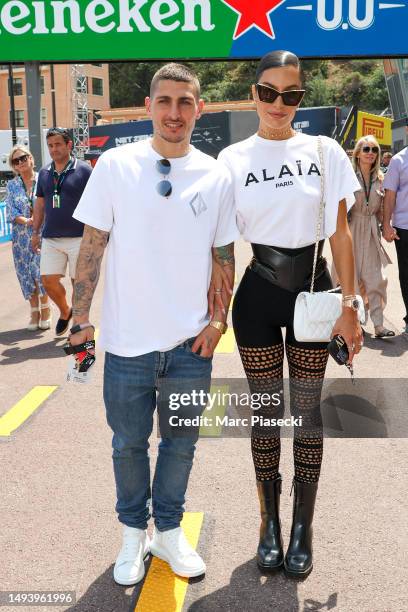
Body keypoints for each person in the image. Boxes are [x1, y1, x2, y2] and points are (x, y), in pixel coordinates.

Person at [69, 63, 237, 586]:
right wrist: (79, 319)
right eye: (164, 101)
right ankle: (130, 535)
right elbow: (91, 248)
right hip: (126, 343)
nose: (174, 112)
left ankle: (167, 531)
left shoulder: (216, 173)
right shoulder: (116, 166)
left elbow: (224, 254)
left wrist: (217, 322)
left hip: (191, 346)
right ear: (148, 106)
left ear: (199, 108)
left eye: (185, 102)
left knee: (181, 445)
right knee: (127, 445)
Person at [216, 50, 362, 578]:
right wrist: (214, 313)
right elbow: (222, 245)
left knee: (305, 411)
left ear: (301, 97)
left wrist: (350, 306)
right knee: (264, 412)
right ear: (255, 94)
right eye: (270, 93)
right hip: (257, 295)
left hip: (314, 291)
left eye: (292, 94)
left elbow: (341, 234)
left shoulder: (325, 151)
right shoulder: (232, 159)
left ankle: (303, 526)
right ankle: (268, 523)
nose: (280, 104)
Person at [31, 128, 92, 336]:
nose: (53, 149)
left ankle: (79, 333)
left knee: (79, 286)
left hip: (80, 237)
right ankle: (65, 311)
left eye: (57, 144)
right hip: (51, 237)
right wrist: (35, 232)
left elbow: (97, 202)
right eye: (50, 145)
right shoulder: (44, 173)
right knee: (48, 281)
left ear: (69, 145)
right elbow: (39, 204)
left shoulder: (84, 170)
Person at [349, 137, 394, 338]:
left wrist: (387, 227)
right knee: (350, 279)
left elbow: (382, 211)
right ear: (358, 153)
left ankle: (378, 325)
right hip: (350, 229)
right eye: (366, 148)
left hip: (371, 231)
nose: (371, 152)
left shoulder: (382, 179)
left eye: (374, 149)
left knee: (376, 279)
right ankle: (354, 322)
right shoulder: (348, 176)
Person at [5, 145, 51, 330]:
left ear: (31, 159)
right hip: (21, 237)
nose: (21, 162)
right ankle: (34, 312)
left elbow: (52, 203)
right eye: (16, 161)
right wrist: (27, 220)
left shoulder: (45, 178)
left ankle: (46, 309)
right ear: (14, 166)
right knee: (26, 274)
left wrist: (38, 219)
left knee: (41, 273)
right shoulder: (12, 185)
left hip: (43, 234)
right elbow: (10, 211)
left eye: (23, 158)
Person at [383, 128, 408, 335]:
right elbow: (389, 195)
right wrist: (387, 224)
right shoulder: (398, 161)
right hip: (404, 227)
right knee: (407, 275)